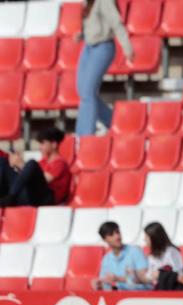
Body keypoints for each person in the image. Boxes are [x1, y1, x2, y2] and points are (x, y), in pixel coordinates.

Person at [77, 0, 134, 137]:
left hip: (102, 46)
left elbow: (116, 24)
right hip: (89, 46)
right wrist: (82, 35)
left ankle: (85, 135)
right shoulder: (89, 2)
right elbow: (94, 25)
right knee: (82, 90)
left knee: (88, 92)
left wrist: (127, 48)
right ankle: (113, 122)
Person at [0, 128, 72, 208]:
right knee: (2, 162)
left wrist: (21, 164)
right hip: (32, 196)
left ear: (54, 144)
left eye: (43, 143)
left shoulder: (60, 163)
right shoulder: (42, 162)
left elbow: (44, 180)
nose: (40, 147)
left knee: (32, 163)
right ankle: (5, 197)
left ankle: (10, 197)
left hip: (46, 199)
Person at [95, 221, 149, 291]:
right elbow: (105, 284)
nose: (117, 236)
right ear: (104, 239)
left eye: (118, 232)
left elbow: (146, 279)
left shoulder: (135, 251)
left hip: (139, 297)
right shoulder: (106, 259)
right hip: (119, 298)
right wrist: (99, 285)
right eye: (111, 234)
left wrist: (118, 279)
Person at [142, 222, 183, 290]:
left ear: (154, 238)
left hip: (170, 290)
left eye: (147, 236)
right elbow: (150, 276)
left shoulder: (171, 252)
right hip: (156, 289)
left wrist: (161, 275)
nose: (144, 239)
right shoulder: (151, 256)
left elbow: (180, 274)